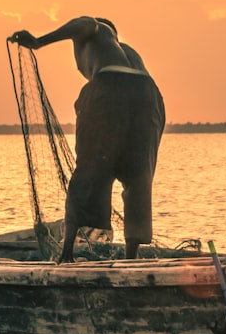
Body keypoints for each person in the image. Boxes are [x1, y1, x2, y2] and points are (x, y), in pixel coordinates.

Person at [9, 16, 165, 263]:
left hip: (110, 87)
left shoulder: (98, 31)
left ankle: (67, 252)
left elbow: (86, 23)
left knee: (90, 170)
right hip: (149, 96)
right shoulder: (129, 54)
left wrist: (38, 42)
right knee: (138, 177)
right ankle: (130, 259)